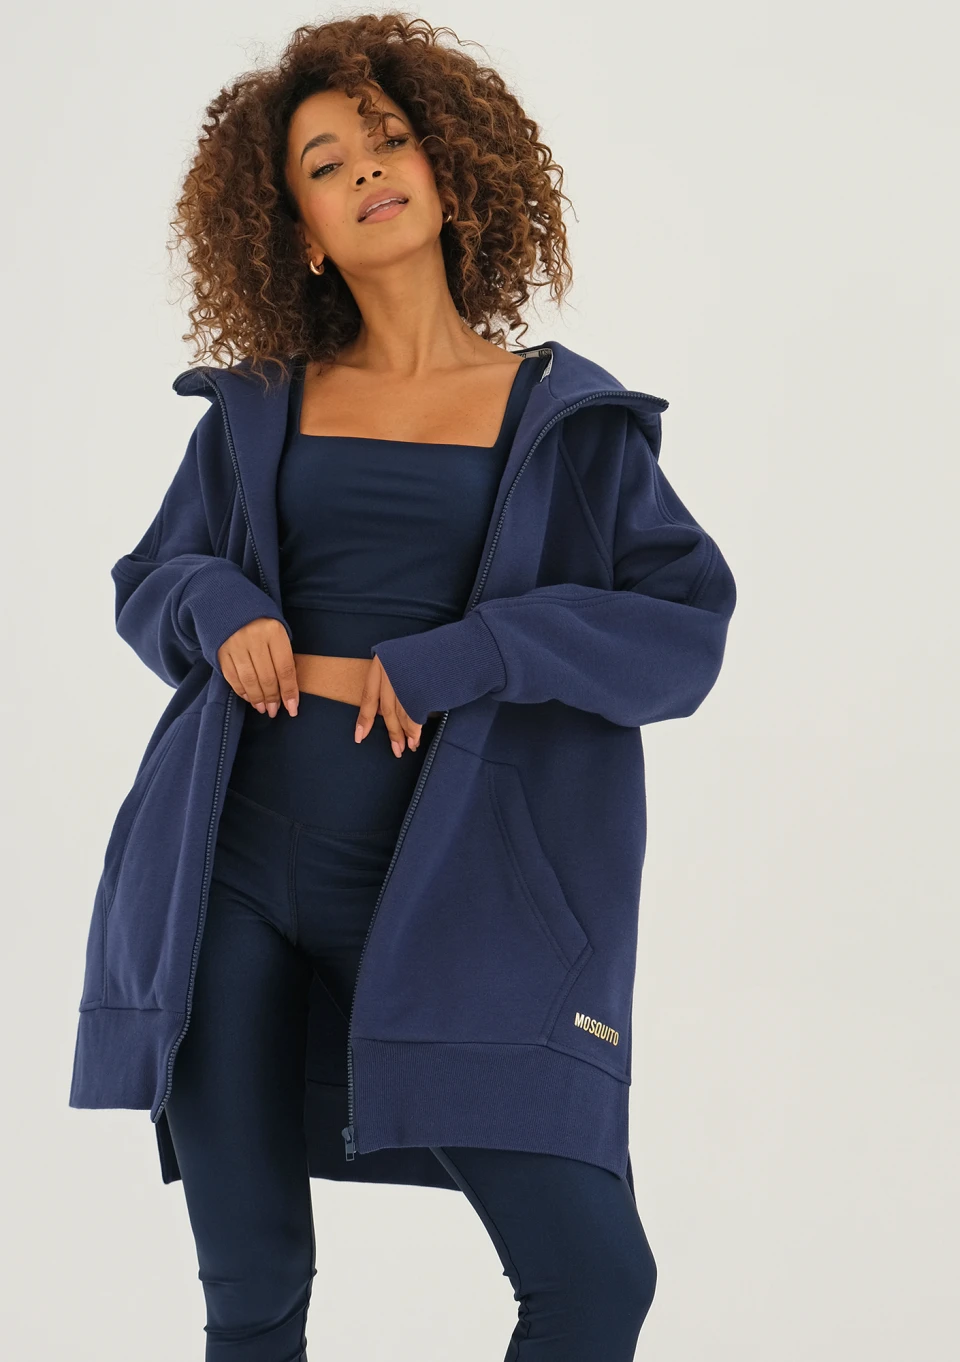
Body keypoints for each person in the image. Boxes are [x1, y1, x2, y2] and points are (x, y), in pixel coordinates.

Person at [69, 14, 737, 1361]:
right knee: (253, 1291)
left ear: (449, 169)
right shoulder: (257, 407)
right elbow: (152, 576)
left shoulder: (569, 418)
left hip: (463, 892)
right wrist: (218, 604)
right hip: (229, 869)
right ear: (303, 230)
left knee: (594, 1276)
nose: (368, 167)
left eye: (388, 138)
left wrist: (479, 649)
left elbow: (683, 635)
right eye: (325, 163)